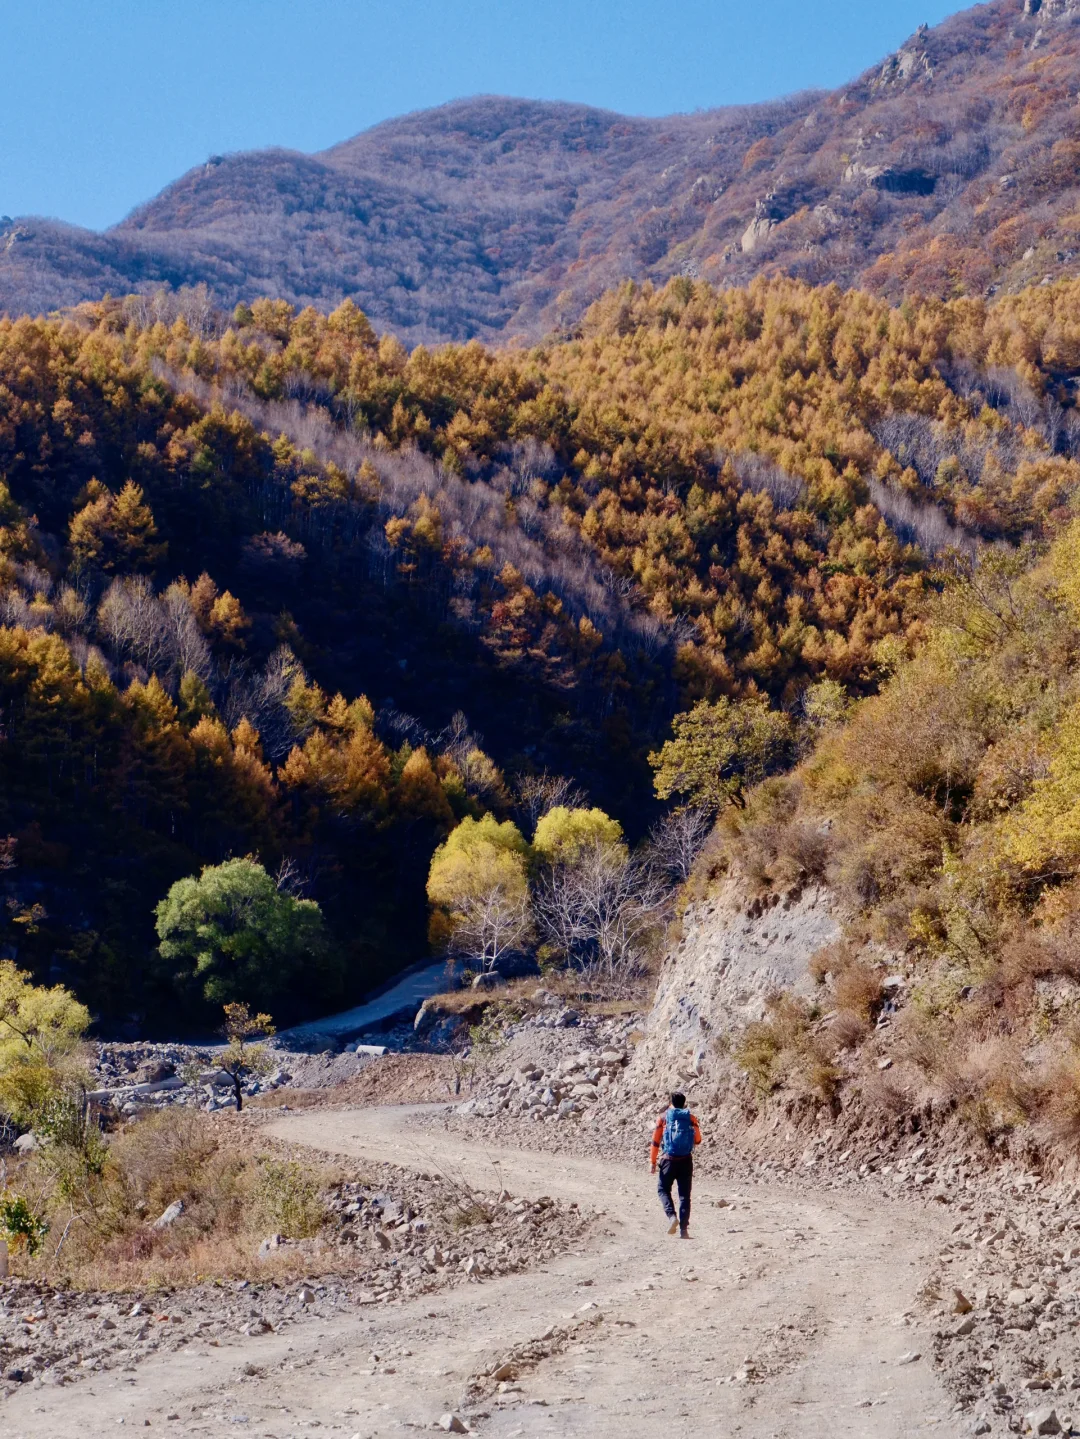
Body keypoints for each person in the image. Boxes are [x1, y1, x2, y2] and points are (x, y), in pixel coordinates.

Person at [649, 1090, 702, 1238]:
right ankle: (684, 1230)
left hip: (668, 1160)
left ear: (670, 1103)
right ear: (684, 1104)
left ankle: (672, 1217)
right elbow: (698, 1140)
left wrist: (653, 1162)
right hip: (686, 1160)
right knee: (685, 1196)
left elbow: (655, 1142)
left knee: (662, 1189)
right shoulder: (691, 1118)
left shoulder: (663, 1118)